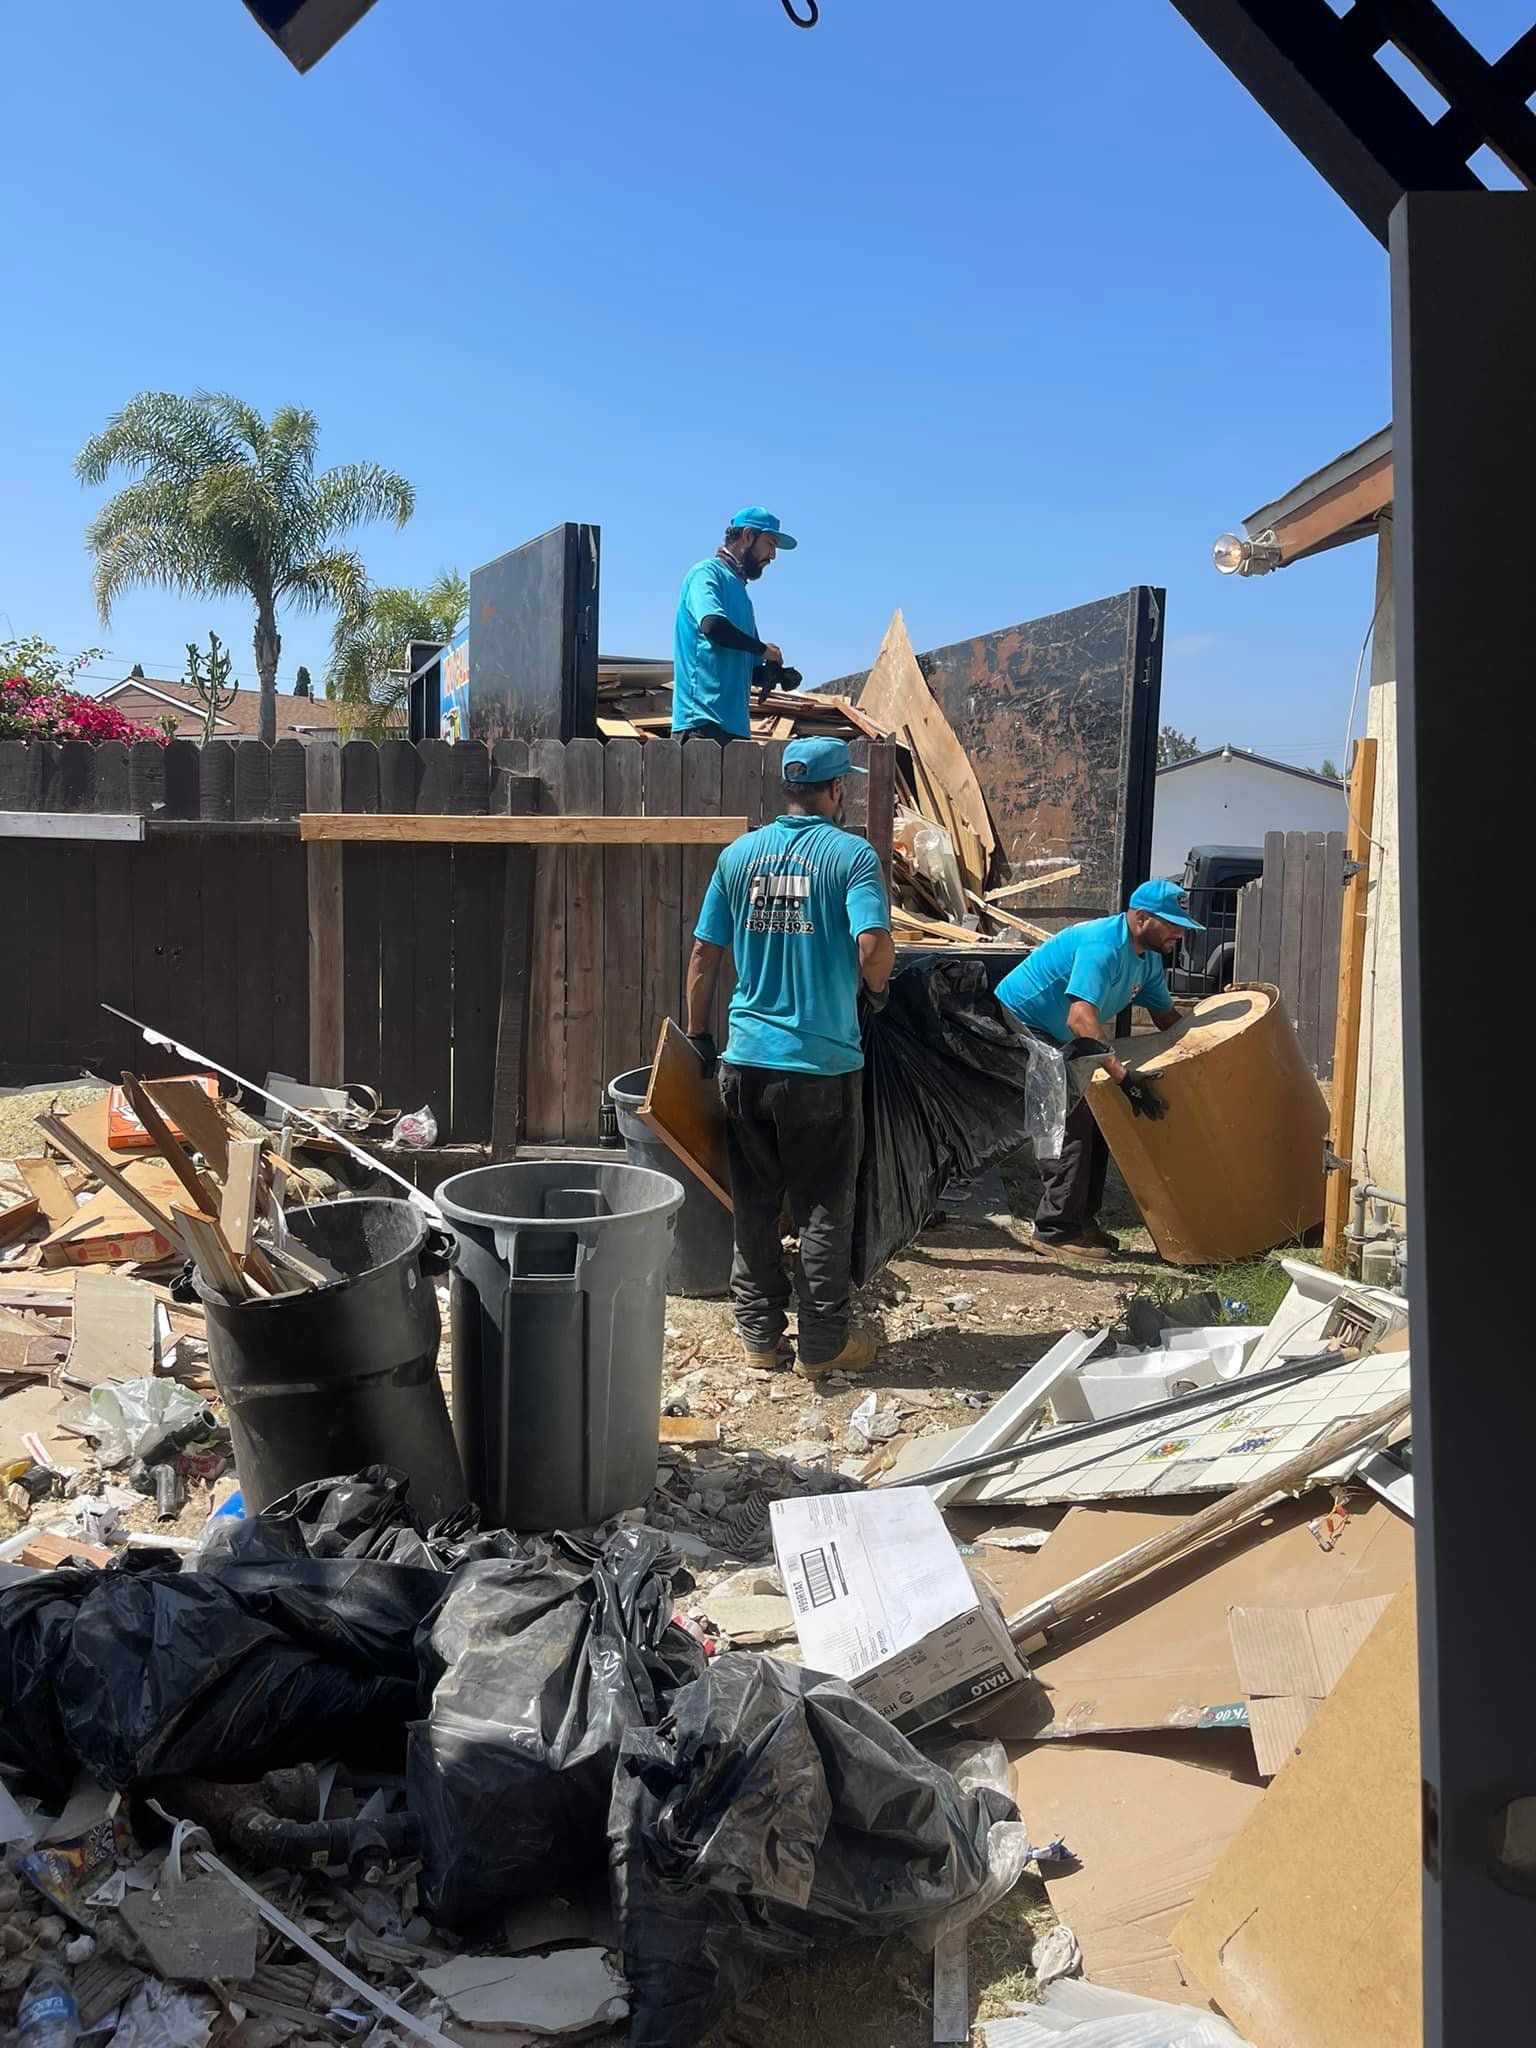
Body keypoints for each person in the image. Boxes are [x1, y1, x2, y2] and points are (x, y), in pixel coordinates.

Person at [685, 736, 895, 1377]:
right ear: (837, 790)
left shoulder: (739, 856)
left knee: (753, 1202)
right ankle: (823, 1343)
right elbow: (874, 947)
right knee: (823, 1207)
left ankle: (758, 1337)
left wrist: (699, 1035)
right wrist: (879, 992)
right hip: (822, 1069)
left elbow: (703, 957)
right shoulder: (852, 857)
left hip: (745, 1062)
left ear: (789, 788)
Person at [994, 878, 1201, 1263]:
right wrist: (1121, 1075)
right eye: (1172, 924)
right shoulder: (1103, 946)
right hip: (1020, 1020)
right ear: (1141, 918)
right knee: (1071, 1114)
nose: (1180, 933)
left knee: (1098, 1113)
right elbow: (1080, 1019)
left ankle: (1080, 1221)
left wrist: (1208, 1033)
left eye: (1183, 926)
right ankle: (1055, 1230)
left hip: (1061, 1029)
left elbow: (1166, 1017)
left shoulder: (1149, 959)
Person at [672, 508, 796, 743]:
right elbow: (713, 626)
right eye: (770, 544)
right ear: (748, 536)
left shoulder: (741, 593)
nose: (773, 555)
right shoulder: (706, 574)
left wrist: (774, 674)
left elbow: (742, 664)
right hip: (701, 724)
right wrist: (763, 649)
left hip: (735, 729)